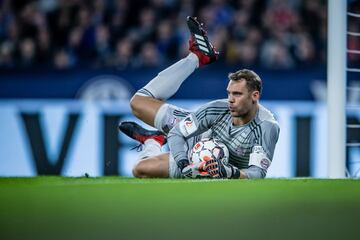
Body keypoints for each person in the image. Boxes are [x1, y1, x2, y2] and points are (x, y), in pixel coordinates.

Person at [119, 16, 280, 179]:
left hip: (224, 171)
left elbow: (258, 173)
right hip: (198, 142)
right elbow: (176, 134)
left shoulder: (267, 126)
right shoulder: (218, 108)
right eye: (229, 93)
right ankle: (197, 57)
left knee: (140, 169)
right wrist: (183, 164)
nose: (230, 99)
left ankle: (153, 141)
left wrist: (229, 172)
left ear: (255, 96)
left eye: (237, 94)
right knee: (138, 103)